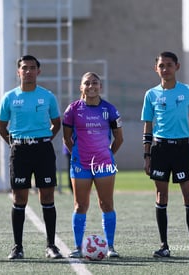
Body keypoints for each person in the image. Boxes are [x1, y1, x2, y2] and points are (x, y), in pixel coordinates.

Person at [141, 51, 189, 258]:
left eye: (169, 65)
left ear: (177, 67)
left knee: (188, 195)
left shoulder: (188, 91)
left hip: (181, 149)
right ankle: (164, 246)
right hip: (160, 150)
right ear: (156, 68)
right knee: (162, 196)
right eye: (161, 65)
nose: (165, 69)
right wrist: (147, 155)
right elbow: (148, 126)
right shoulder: (151, 94)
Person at [0, 55, 62, 260]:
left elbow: (56, 123)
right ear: (18, 72)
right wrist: (16, 144)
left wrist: (43, 140)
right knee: (19, 198)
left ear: (38, 71)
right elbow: (1, 127)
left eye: (32, 68)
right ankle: (18, 247)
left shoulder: (48, 96)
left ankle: (51, 246)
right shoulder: (9, 97)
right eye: (24, 68)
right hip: (20, 152)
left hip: (43, 151)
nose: (28, 71)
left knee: (48, 197)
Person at [62, 72, 123, 258]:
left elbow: (119, 138)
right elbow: (66, 138)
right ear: (81, 87)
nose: (91, 86)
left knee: (106, 204)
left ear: (100, 87)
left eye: (95, 83)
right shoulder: (72, 110)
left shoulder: (110, 109)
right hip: (81, 164)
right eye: (87, 83)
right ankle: (78, 247)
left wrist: (107, 155)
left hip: (104, 165)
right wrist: (78, 156)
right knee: (80, 206)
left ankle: (110, 247)